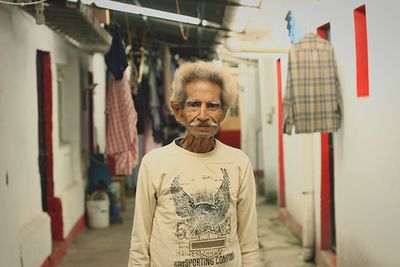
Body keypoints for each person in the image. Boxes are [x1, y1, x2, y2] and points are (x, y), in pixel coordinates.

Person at [128, 60, 259, 266]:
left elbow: (248, 242)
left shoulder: (238, 162)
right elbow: (140, 242)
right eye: (194, 104)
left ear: (224, 112)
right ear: (178, 110)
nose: (203, 115)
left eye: (213, 106)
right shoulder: (154, 163)